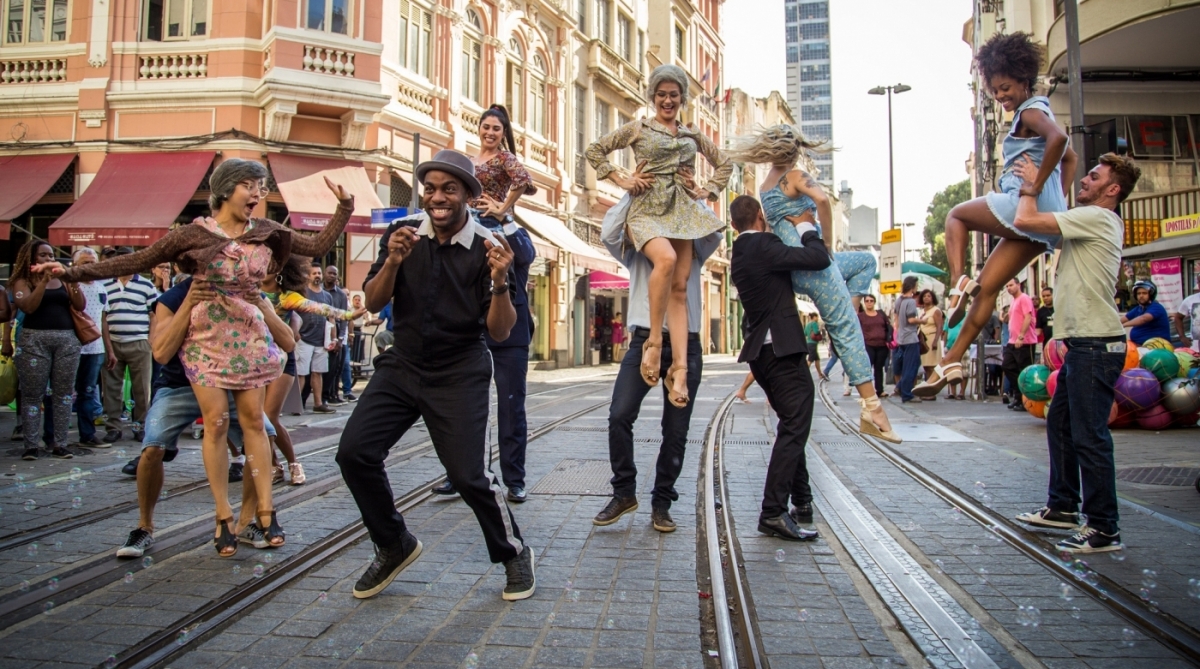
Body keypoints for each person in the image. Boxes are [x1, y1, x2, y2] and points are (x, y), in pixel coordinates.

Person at [40, 159, 353, 556]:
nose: (257, 194)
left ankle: (267, 514)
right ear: (224, 189)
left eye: (260, 186)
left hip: (249, 333)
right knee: (217, 424)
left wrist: (343, 207)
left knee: (255, 423)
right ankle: (222, 517)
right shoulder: (193, 234)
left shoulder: (266, 231)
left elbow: (317, 246)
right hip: (206, 335)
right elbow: (136, 261)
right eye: (249, 185)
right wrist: (69, 274)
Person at [336, 149, 535, 601]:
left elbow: (501, 331)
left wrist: (501, 281)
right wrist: (391, 261)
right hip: (402, 364)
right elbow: (370, 302)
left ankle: (513, 551)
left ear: (467, 194)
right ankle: (393, 544)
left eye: (449, 189)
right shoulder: (400, 234)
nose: (437, 197)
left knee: (468, 476)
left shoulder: (491, 248)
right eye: (431, 189)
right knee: (354, 453)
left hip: (458, 370)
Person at [917, 32, 1077, 395]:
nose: (1002, 97)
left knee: (956, 217)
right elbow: (1072, 158)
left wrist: (1034, 189)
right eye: (995, 92)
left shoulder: (1032, 111)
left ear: (1024, 80)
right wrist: (1056, 198)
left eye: (1006, 88)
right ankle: (950, 361)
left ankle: (958, 282)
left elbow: (1060, 142)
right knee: (987, 289)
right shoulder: (1038, 109)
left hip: (1024, 204)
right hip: (1044, 223)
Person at [728, 125, 899, 443]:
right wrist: (827, 243)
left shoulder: (766, 185)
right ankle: (872, 408)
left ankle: (851, 299)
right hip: (813, 265)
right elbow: (823, 200)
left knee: (865, 262)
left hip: (798, 265)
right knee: (846, 328)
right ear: (794, 151)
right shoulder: (794, 176)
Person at [1010, 152, 1142, 553]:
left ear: (1112, 189)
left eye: (1094, 176)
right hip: (1082, 345)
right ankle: (1063, 506)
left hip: (1095, 344)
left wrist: (1032, 186)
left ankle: (1104, 528)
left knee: (1089, 436)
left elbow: (1025, 221)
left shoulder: (1099, 217)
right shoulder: (1089, 220)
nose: (1085, 180)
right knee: (1062, 425)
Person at [586, 64, 732, 408]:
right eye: (662, 94)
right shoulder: (637, 129)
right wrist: (622, 179)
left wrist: (707, 191)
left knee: (680, 289)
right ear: (653, 97)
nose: (668, 100)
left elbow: (725, 164)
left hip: (680, 210)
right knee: (664, 261)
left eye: (674, 95)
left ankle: (679, 369)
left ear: (682, 98)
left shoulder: (692, 135)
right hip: (647, 209)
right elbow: (594, 150)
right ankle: (653, 343)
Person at [117, 277, 290, 557]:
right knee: (152, 448)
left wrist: (262, 304)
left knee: (265, 436)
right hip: (180, 385)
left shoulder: (245, 289)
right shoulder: (175, 296)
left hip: (231, 386)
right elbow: (161, 352)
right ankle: (144, 526)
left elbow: (288, 341)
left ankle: (246, 520)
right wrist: (189, 302)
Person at [593, 163, 723, 533]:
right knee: (620, 415)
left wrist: (688, 190)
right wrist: (633, 189)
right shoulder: (638, 249)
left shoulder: (692, 246)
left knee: (676, 430)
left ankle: (662, 503)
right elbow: (609, 230)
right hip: (643, 341)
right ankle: (624, 492)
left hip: (688, 346)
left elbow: (713, 229)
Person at [432, 104, 537, 503]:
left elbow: (525, 255)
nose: (490, 132)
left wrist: (504, 212)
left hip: (509, 328)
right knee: (462, 407)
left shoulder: (515, 233)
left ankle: (514, 478)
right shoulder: (462, 230)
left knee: (511, 405)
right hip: (469, 327)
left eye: (497, 128)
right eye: (485, 126)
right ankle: (461, 473)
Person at [728, 194, 828, 540]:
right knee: (796, 425)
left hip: (762, 353)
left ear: (732, 225)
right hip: (781, 350)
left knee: (790, 423)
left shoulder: (738, 253)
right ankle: (772, 511)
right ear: (760, 216)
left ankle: (802, 502)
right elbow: (817, 258)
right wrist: (805, 224)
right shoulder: (763, 245)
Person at [262, 255, 362, 484]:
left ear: (279, 273)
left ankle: (293, 463)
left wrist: (348, 315)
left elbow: (318, 307)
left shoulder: (286, 297)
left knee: (269, 418)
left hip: (280, 360)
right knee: (257, 420)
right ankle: (273, 464)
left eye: (269, 266)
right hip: (254, 363)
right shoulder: (250, 292)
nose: (262, 269)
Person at [11, 240, 81, 460]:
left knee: (63, 395)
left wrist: (73, 280)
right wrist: (43, 281)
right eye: (43, 255)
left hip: (66, 340)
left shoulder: (62, 279)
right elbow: (28, 306)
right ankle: (31, 445)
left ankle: (60, 444)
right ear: (31, 258)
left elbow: (80, 305)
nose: (49, 259)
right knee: (33, 395)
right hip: (34, 340)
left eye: (51, 255)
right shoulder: (22, 281)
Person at [99, 247, 159, 443]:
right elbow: (103, 317)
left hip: (139, 343)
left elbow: (154, 315)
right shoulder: (105, 285)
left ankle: (140, 426)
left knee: (142, 389)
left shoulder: (147, 285)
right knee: (111, 389)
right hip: (113, 343)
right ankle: (113, 428)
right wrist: (107, 347)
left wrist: (150, 341)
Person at [71, 249, 108, 447]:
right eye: (84, 262)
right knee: (62, 392)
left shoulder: (102, 288)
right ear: (75, 265)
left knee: (87, 391)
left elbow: (103, 321)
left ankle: (87, 434)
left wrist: (108, 350)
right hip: (72, 346)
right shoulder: (69, 286)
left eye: (92, 262)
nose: (89, 266)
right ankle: (54, 437)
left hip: (95, 348)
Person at [297, 263, 336, 414]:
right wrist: (296, 332)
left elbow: (331, 318)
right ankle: (297, 404)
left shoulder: (327, 296)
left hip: (321, 340)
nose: (318, 276)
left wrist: (334, 339)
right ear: (308, 276)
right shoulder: (302, 293)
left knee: (318, 372)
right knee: (301, 373)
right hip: (304, 337)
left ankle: (318, 404)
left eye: (319, 273)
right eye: (314, 273)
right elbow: (293, 313)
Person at [1001, 279, 1036, 411]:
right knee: (1007, 366)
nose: (1009, 288)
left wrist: (1021, 336)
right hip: (1012, 341)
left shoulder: (1024, 298)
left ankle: (1025, 400)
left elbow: (1028, 317)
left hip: (1025, 341)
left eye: (1011, 285)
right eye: (1007, 286)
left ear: (1018, 285)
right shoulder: (1014, 301)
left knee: (1024, 371)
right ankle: (1018, 396)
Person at [321, 265, 350, 406]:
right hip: (319, 330)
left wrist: (340, 338)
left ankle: (331, 394)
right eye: (329, 273)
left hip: (336, 330)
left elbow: (344, 317)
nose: (332, 276)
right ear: (324, 274)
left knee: (335, 366)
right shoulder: (318, 292)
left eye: (334, 273)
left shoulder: (341, 295)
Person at [892, 276, 923, 402]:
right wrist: (923, 320)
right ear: (912, 286)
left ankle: (900, 386)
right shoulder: (910, 302)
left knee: (907, 366)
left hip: (902, 338)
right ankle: (906, 394)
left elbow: (896, 318)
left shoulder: (899, 300)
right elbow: (911, 319)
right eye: (916, 285)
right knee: (912, 367)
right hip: (910, 338)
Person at [857, 295, 891, 398]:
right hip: (868, 345)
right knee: (867, 368)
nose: (869, 302)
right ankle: (867, 391)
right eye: (867, 301)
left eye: (871, 301)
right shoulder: (861, 316)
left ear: (874, 302)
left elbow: (888, 326)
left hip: (882, 345)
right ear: (864, 303)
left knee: (878, 368)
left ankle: (880, 390)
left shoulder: (880, 314)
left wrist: (888, 339)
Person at [1120, 280, 1172, 345]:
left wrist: (1123, 325)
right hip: (1140, 345)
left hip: (1156, 348)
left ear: (1150, 295)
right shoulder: (1139, 308)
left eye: (1144, 293)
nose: (1141, 296)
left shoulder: (1156, 307)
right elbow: (1123, 319)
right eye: (1139, 293)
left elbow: (1143, 319)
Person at [917, 289, 944, 393]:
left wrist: (936, 341)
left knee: (931, 366)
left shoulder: (936, 310)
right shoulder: (921, 311)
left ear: (932, 298)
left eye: (929, 296)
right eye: (924, 296)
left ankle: (931, 390)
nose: (926, 298)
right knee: (925, 366)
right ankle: (927, 387)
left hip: (932, 339)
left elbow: (939, 326)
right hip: (923, 340)